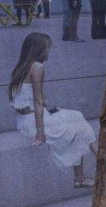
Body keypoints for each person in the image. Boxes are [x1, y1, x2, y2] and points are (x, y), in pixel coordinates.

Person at [8, 32, 97, 191]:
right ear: (40, 49)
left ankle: (85, 169)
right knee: (78, 128)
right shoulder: (37, 67)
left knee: (76, 116)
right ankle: (89, 165)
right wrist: (40, 133)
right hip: (34, 122)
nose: (49, 52)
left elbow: (23, 100)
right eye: (48, 48)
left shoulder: (20, 66)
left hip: (24, 121)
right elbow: (38, 101)